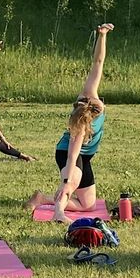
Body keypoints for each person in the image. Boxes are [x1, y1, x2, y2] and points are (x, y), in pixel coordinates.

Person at [28, 24, 114, 223]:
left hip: (85, 156)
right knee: (70, 182)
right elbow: (72, 155)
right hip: (68, 153)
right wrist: (68, 181)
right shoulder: (80, 127)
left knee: (88, 205)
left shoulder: (88, 97)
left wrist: (102, 36)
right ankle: (58, 213)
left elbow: (98, 61)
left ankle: (42, 198)